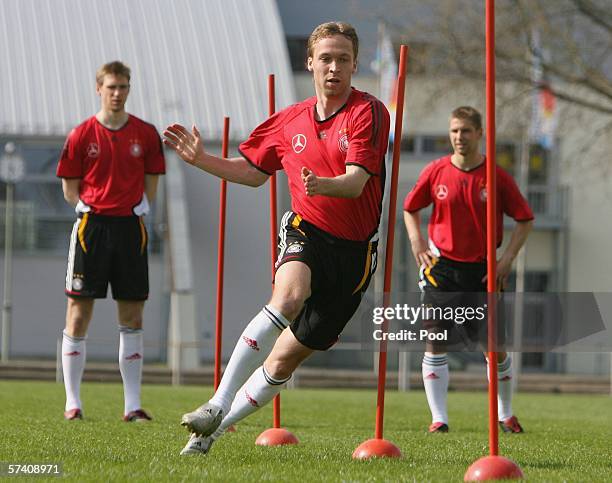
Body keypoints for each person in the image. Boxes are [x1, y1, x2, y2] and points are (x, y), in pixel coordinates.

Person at [163, 21, 390, 455]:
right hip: (307, 230)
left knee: (283, 359)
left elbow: (357, 181)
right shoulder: (288, 121)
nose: (334, 67)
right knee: (288, 297)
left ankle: (212, 430)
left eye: (343, 59)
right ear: (310, 63)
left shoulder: (369, 112)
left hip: (355, 254)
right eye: (325, 58)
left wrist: (324, 185)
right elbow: (252, 172)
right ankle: (216, 401)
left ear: (355, 65)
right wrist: (202, 160)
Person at [403, 106, 533, 433]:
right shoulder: (435, 171)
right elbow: (410, 209)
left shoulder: (496, 177)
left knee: (494, 347)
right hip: (441, 268)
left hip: (484, 270)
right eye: (454, 131)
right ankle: (439, 419)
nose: (459, 137)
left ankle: (505, 413)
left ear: (479, 134)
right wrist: (417, 241)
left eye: (465, 131)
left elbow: (525, 220)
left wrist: (506, 261)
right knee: (435, 340)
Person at [56, 61, 165, 422]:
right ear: (99, 88)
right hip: (92, 229)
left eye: (123, 87)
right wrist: (84, 204)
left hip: (130, 228)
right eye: (112, 87)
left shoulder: (146, 134)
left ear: (129, 89)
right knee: (78, 313)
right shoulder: (81, 135)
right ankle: (73, 403)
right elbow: (69, 188)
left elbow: (152, 180)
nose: (117, 93)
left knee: (132, 314)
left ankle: (132, 406)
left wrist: (141, 205)